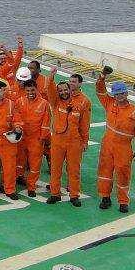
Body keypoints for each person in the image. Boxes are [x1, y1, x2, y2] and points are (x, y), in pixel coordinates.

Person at [95, 72, 135, 213]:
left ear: (127, 93)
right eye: (117, 94)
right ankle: (105, 197)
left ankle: (123, 201)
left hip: (124, 147)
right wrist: (102, 77)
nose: (120, 96)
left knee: (123, 173)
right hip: (107, 145)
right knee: (104, 172)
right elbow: (100, 90)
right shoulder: (110, 103)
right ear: (114, 95)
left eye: (122, 93)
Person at [45, 69, 91, 206]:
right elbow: (49, 89)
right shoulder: (55, 102)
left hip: (74, 142)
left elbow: (85, 124)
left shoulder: (83, 102)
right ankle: (55, 193)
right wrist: (51, 76)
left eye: (66, 89)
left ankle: (74, 195)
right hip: (58, 140)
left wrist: (85, 141)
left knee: (74, 169)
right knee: (55, 168)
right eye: (61, 90)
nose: (63, 92)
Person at [15, 77, 51, 196]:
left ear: (37, 89)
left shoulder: (44, 103)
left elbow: (46, 122)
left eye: (32, 90)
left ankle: (31, 187)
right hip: (22, 137)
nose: (30, 93)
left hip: (36, 139)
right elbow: (16, 116)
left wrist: (43, 138)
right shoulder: (20, 101)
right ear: (24, 91)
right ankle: (16, 179)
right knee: (19, 161)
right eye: (28, 90)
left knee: (35, 164)